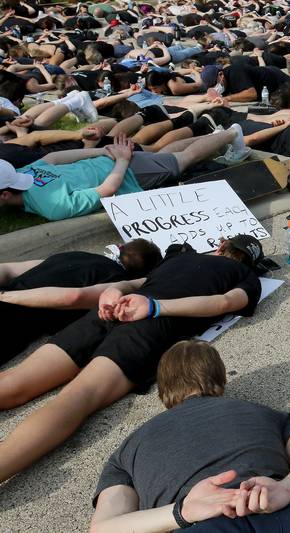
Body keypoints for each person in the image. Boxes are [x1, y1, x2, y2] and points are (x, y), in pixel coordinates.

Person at [0, 235, 267, 483]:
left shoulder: (177, 258)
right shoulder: (247, 278)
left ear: (220, 247)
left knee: (18, 379)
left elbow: (132, 284)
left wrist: (112, 293)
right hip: (153, 324)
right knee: (77, 398)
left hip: (114, 310)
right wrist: (156, 308)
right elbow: (223, 303)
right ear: (251, 264)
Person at [91, 340, 290, 533]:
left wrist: (181, 512)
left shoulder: (130, 447)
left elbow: (105, 527)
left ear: (164, 389)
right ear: (220, 380)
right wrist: (288, 488)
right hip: (274, 512)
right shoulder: (262, 413)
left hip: (198, 524)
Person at [0, 128, 247, 221]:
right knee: (164, 156)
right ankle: (216, 136)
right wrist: (103, 151)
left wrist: (121, 159)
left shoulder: (52, 206)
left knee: (181, 161)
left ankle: (231, 135)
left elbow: (106, 191)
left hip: (125, 173)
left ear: (4, 195)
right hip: (108, 162)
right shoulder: (22, 172)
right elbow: (53, 158)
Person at [0, 239, 162, 363]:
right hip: (15, 320)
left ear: (120, 247)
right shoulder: (115, 282)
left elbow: (9, 270)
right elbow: (74, 297)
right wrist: (6, 296)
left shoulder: (77, 254)